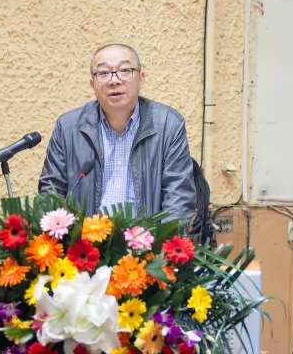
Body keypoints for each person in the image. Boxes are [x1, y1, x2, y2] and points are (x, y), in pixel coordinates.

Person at [38, 43, 196, 223]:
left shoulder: (169, 125)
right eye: (103, 73)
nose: (114, 81)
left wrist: (162, 240)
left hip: (148, 239)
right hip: (85, 239)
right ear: (92, 84)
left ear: (141, 79)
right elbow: (51, 196)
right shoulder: (68, 128)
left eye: (125, 70)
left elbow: (178, 199)